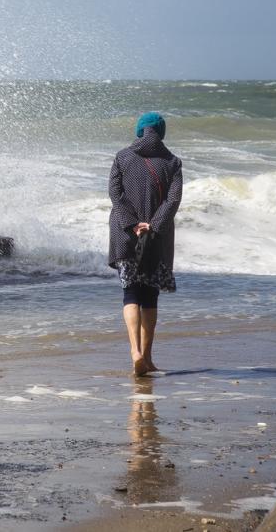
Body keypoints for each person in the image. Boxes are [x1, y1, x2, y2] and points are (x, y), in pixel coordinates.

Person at [108, 112, 182, 376]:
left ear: (140, 131)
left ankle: (134, 353)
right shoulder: (172, 162)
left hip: (125, 235)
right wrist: (152, 226)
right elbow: (172, 201)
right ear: (161, 132)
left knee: (130, 293)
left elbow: (115, 195)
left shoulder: (122, 157)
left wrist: (133, 224)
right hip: (155, 239)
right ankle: (148, 359)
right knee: (150, 297)